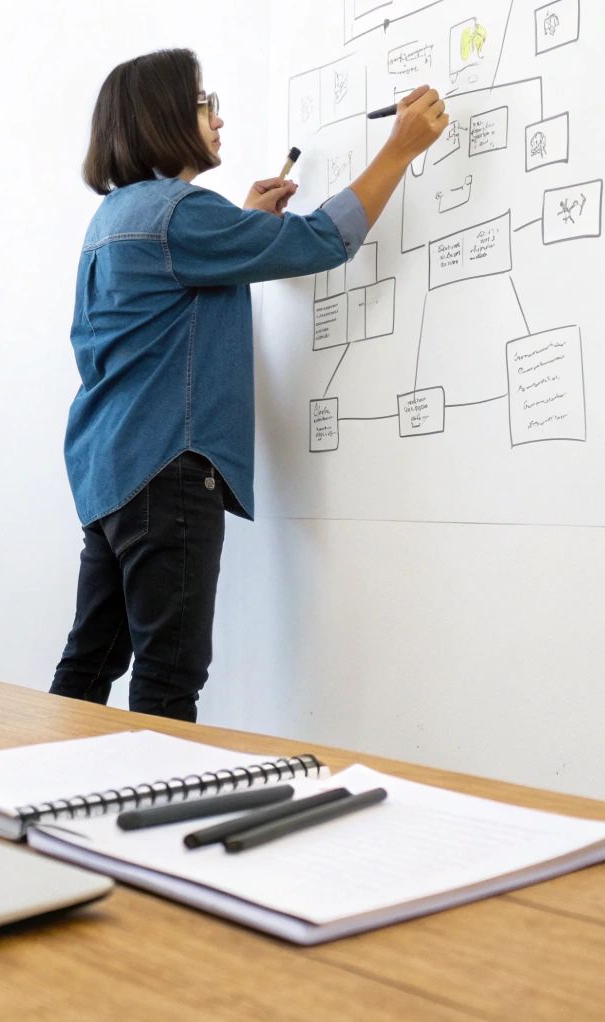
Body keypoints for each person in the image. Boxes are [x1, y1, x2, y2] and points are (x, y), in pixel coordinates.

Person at [50, 48, 449, 721]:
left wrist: (244, 224)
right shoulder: (183, 216)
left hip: (109, 476)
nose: (219, 117)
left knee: (91, 662)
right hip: (168, 471)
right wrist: (398, 150)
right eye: (205, 104)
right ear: (165, 116)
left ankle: (29, 796)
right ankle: (149, 825)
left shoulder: (114, 219)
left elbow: (167, 301)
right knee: (170, 678)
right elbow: (324, 241)